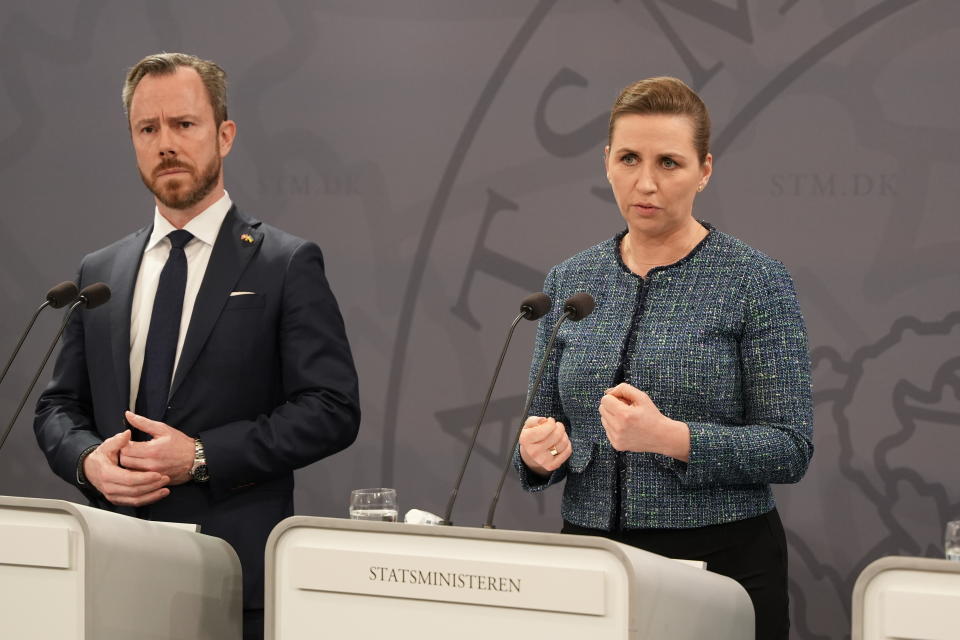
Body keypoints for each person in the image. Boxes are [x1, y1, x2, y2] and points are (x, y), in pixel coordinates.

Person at [34, 52, 361, 640]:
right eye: (148, 128)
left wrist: (203, 456)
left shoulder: (285, 263)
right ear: (132, 140)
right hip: (114, 568)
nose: (166, 144)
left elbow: (332, 408)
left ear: (225, 135)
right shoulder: (99, 271)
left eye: (184, 125)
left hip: (232, 574)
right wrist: (89, 461)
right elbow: (57, 408)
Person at [516, 77, 812, 639]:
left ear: (704, 170)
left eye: (669, 163)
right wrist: (536, 453)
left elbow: (790, 447)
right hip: (591, 560)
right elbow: (544, 420)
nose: (645, 182)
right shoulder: (570, 280)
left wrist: (670, 437)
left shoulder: (755, 280)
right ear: (607, 162)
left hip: (720, 563)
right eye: (629, 158)